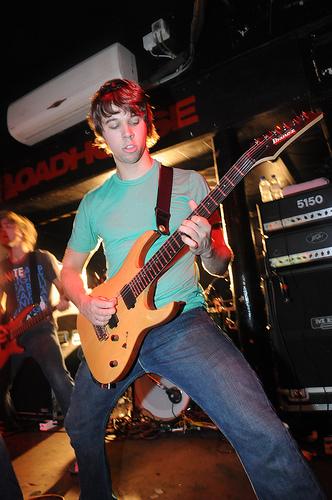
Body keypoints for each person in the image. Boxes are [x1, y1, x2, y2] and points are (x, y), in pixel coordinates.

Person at [61, 78, 326, 500]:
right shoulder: (94, 203)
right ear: (101, 134)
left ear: (148, 122)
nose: (127, 132)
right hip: (112, 330)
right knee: (79, 425)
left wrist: (205, 248)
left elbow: (220, 264)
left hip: (181, 325)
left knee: (262, 429)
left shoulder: (187, 184)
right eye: (114, 124)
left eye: (134, 119)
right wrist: (85, 300)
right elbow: (69, 270)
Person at [0, 211, 74, 429]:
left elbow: (63, 288)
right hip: (11, 335)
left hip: (40, 329)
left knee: (58, 377)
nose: (4, 230)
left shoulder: (41, 258)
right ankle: (14, 429)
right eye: (1, 226)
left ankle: (79, 425)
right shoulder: (3, 267)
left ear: (22, 231)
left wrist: (64, 298)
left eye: (9, 225)